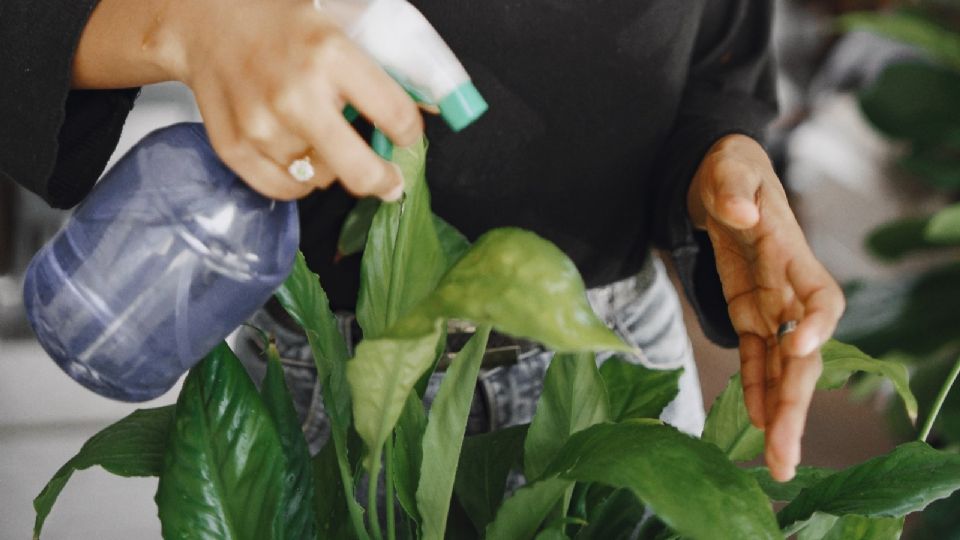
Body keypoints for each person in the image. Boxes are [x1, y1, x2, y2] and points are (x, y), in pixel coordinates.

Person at [0, 0, 844, 483]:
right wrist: (188, 22)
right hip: (332, 381)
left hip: (619, 371)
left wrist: (721, 156)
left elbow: (716, 54)